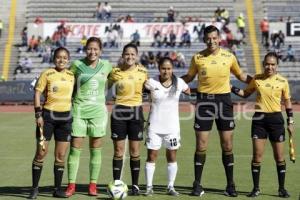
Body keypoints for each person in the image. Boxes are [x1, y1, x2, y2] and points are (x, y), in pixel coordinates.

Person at [181, 25, 251, 197]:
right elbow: (189, 78)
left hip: (224, 102)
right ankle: (197, 185)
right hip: (204, 102)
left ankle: (230, 185)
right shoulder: (198, 57)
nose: (211, 41)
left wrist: (259, 81)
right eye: (208, 38)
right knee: (201, 145)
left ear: (219, 38)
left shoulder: (229, 57)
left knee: (227, 145)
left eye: (214, 38)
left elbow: (242, 76)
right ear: (204, 39)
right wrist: (170, 81)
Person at [231, 52, 294, 198]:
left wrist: (290, 121)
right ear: (263, 64)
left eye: (272, 64)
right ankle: (256, 188)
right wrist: (231, 87)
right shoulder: (257, 79)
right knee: (257, 156)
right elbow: (246, 93)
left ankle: (282, 189)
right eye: (267, 64)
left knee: (279, 157)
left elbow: (288, 102)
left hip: (276, 120)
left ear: (277, 66)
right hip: (259, 120)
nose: (269, 67)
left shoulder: (283, 81)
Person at [65, 37, 113, 197]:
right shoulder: (77, 65)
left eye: (95, 49)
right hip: (79, 111)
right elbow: (65, 79)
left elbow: (115, 79)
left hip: (98, 113)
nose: (92, 52)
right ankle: (71, 184)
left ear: (100, 51)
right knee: (75, 149)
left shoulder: (107, 66)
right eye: (89, 49)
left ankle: (93, 185)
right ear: (85, 50)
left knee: (95, 150)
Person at [28, 47, 74, 199]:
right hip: (47, 119)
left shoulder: (71, 75)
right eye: (59, 57)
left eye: (65, 57)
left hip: (65, 120)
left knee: (60, 155)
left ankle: (57, 189)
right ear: (54, 58)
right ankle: (34, 189)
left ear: (68, 59)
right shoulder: (47, 74)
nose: (62, 60)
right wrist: (38, 114)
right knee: (41, 153)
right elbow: (37, 92)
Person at [144, 57, 190, 196]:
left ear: (172, 69)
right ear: (159, 69)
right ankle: (149, 187)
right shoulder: (151, 82)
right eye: (163, 68)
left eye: (169, 68)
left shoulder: (179, 82)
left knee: (172, 156)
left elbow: (189, 91)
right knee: (152, 156)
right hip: (154, 126)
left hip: (172, 128)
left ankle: (170, 186)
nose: (166, 71)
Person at [108, 43, 148, 196]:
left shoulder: (143, 72)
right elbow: (104, 86)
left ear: (136, 56)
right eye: (127, 54)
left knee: (135, 151)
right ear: (123, 56)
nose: (130, 57)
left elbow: (149, 89)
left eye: (132, 54)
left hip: (136, 112)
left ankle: (135, 185)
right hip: (119, 111)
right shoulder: (115, 72)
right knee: (118, 151)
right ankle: (117, 184)